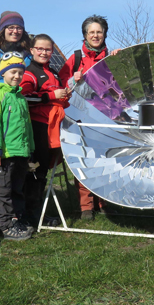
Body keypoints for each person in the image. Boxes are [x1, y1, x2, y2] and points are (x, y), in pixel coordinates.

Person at [58, 15, 119, 220]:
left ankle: (103, 201)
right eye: (91, 32)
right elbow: (61, 86)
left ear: (104, 34)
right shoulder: (75, 58)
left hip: (105, 116)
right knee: (84, 158)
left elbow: (120, 89)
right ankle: (86, 206)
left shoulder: (110, 57)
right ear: (85, 35)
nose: (95, 35)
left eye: (99, 32)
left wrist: (121, 63)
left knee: (105, 159)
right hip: (80, 116)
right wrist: (72, 79)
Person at [20, 34, 71, 227]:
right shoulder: (29, 72)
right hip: (36, 127)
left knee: (42, 172)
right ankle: (30, 216)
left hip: (52, 128)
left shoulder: (54, 72)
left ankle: (38, 213)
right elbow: (24, 98)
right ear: (32, 50)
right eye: (39, 49)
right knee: (35, 172)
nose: (43, 52)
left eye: (47, 49)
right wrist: (50, 96)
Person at [0, 53, 35, 240]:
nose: (17, 76)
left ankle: (17, 219)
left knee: (17, 189)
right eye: (13, 72)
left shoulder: (21, 97)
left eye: (21, 73)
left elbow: (27, 125)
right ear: (3, 73)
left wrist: (30, 147)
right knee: (3, 190)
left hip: (21, 152)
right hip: (5, 153)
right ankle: (5, 225)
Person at [0, 11, 32, 83]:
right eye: (11, 27)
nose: (15, 31)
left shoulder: (29, 54)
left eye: (19, 28)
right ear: (3, 30)